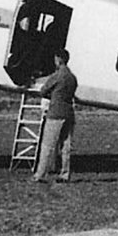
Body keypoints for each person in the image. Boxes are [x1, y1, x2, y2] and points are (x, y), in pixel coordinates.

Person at [33, 48, 78, 183]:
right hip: (69, 113)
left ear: (58, 59)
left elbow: (43, 91)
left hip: (55, 113)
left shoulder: (56, 76)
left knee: (47, 145)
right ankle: (65, 174)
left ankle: (40, 174)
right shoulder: (72, 77)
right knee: (65, 146)